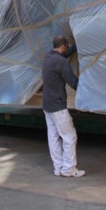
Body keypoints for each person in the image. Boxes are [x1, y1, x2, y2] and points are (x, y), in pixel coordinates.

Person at [42, 35, 84, 178]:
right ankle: (69, 169)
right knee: (70, 136)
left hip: (47, 105)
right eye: (67, 47)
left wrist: (76, 45)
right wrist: (91, 93)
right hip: (58, 106)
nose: (67, 49)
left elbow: (64, 54)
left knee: (53, 137)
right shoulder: (61, 62)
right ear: (62, 46)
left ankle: (58, 168)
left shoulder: (48, 57)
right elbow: (73, 82)